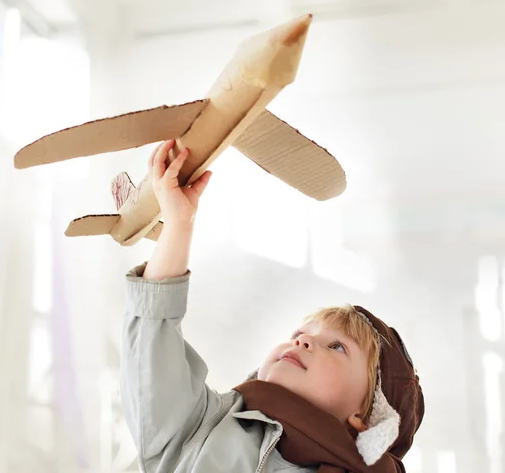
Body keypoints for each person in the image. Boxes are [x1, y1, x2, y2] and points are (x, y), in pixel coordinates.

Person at [120, 140, 424, 472]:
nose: (302, 341)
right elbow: (153, 346)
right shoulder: (203, 424)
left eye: (337, 346)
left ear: (365, 421)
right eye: (300, 333)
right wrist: (178, 224)